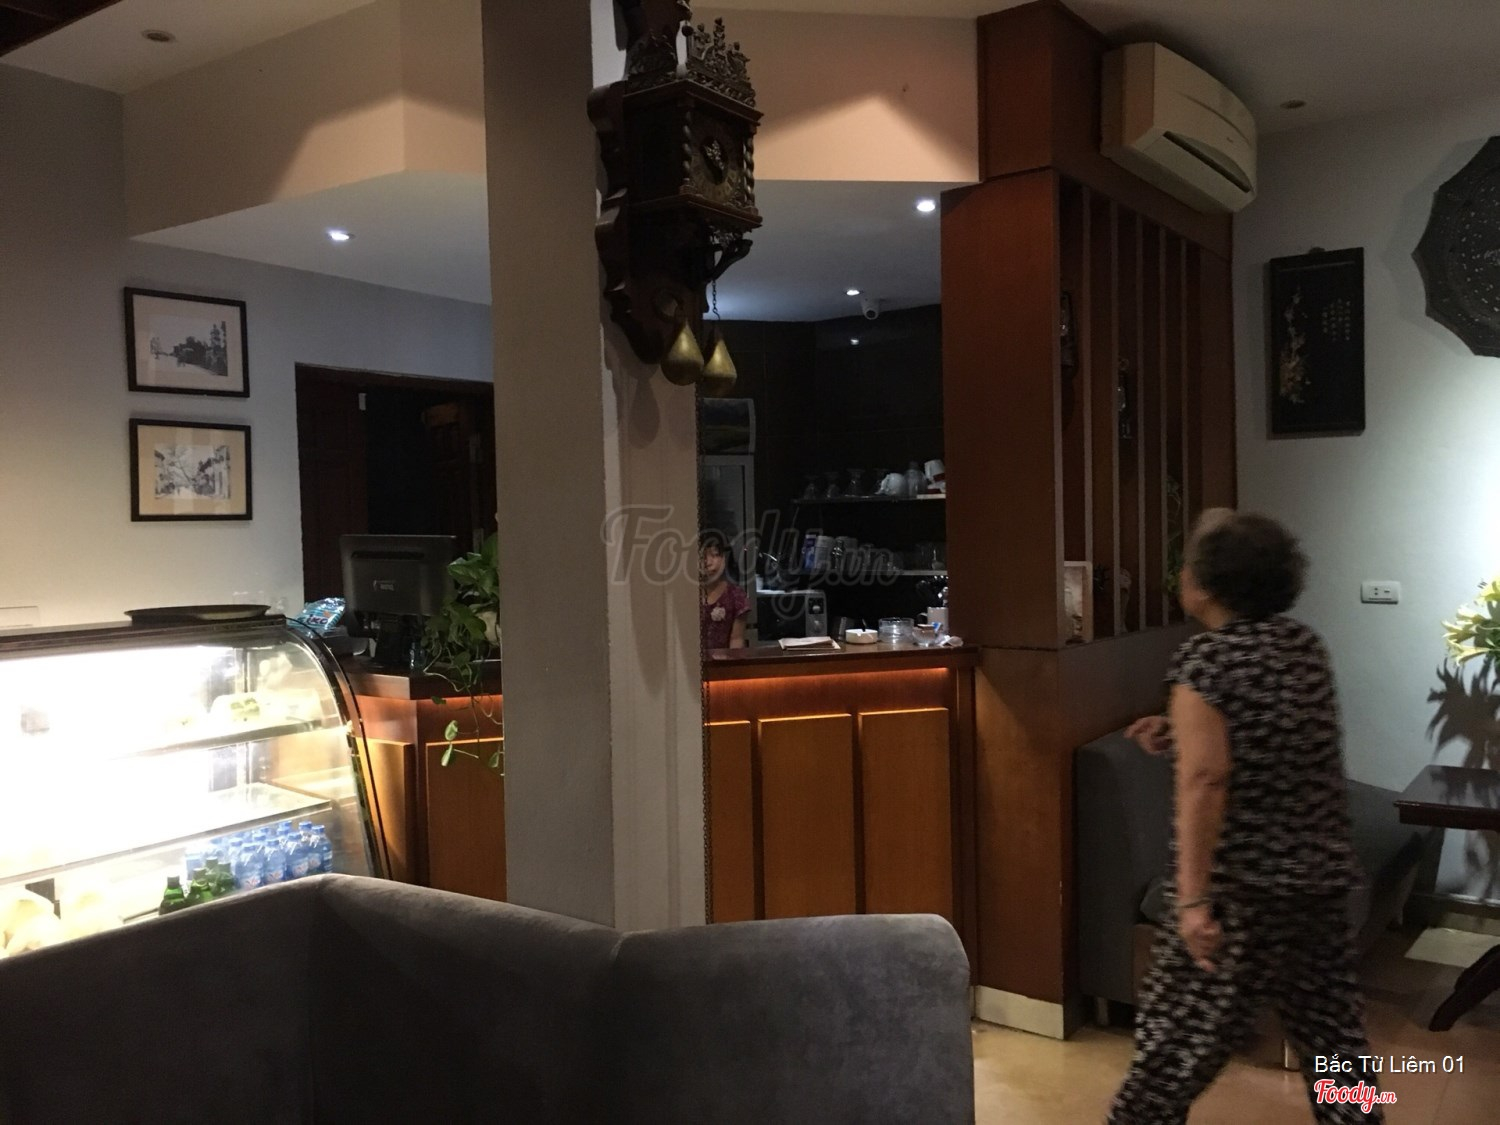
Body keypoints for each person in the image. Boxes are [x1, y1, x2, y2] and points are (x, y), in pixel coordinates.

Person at [1108, 509, 1383, 1125]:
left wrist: (1192, 902)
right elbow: (1273, 735)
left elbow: (1207, 780)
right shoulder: (1304, 646)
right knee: (1338, 1052)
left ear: (1208, 584)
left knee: (1166, 1062)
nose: (1181, 575)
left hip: (1241, 898)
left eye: (1188, 565)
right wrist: (1181, 728)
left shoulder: (1204, 662)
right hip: (1318, 888)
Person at [699, 529, 749, 651]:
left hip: (724, 661)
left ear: (724, 558)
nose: (709, 562)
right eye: (702, 556)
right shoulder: (685, 595)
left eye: (715, 555)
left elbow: (736, 639)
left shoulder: (736, 596)